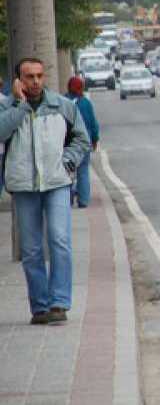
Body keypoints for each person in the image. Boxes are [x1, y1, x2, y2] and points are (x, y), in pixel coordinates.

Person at [0, 58, 90, 326]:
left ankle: (59, 303)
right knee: (31, 249)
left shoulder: (61, 105)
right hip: (24, 186)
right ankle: (40, 307)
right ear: (18, 80)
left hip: (57, 183)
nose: (36, 81)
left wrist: (68, 161)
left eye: (39, 75)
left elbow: (82, 138)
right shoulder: (7, 106)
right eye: (29, 76)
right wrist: (20, 104)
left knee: (60, 240)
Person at [65, 76, 99, 209]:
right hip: (84, 143)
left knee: (66, 171)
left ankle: (67, 199)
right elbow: (93, 124)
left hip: (66, 143)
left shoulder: (63, 101)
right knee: (83, 171)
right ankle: (83, 200)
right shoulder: (85, 103)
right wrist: (95, 139)